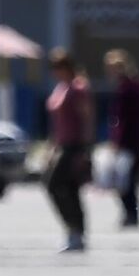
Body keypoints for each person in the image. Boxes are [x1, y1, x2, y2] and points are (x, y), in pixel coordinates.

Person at [44, 49, 94, 252]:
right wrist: (51, 148)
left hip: (75, 145)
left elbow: (87, 119)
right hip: (62, 144)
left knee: (54, 184)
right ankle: (75, 232)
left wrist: (86, 149)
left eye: (58, 67)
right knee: (69, 189)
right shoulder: (60, 88)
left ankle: (76, 231)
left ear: (68, 67)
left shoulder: (78, 87)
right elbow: (57, 124)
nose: (55, 72)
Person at [104, 49, 139, 229]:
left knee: (126, 180)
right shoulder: (127, 87)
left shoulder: (129, 88)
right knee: (125, 180)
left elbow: (128, 118)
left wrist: (117, 141)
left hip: (130, 140)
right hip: (130, 139)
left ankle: (132, 214)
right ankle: (130, 213)